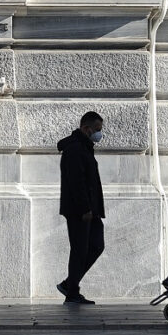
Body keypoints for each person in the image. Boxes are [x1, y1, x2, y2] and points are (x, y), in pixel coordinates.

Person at [56, 111, 106, 305]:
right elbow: (76, 181)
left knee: (95, 245)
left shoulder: (84, 147)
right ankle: (72, 292)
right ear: (86, 129)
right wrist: (85, 208)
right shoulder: (75, 149)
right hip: (80, 210)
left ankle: (70, 284)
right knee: (79, 250)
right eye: (97, 130)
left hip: (90, 210)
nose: (99, 134)